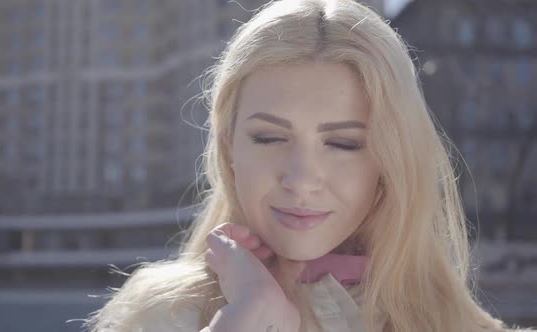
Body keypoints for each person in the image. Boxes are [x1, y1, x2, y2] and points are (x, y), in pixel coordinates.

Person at [82, 0, 535, 331]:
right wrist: (245, 319)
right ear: (229, 149)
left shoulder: (459, 326)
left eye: (342, 143)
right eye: (270, 137)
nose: (300, 180)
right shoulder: (162, 315)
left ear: (391, 160)